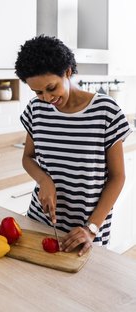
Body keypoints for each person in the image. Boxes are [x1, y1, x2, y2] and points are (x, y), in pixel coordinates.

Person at [15, 35, 132, 256]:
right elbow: (27, 158)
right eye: (38, 92)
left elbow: (118, 177)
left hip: (86, 232)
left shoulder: (105, 111)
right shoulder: (35, 110)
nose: (47, 98)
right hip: (40, 221)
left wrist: (92, 228)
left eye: (51, 87)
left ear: (67, 72)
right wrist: (44, 179)